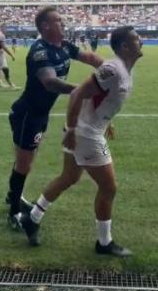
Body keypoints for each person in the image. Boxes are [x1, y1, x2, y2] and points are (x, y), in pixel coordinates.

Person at [19, 26, 143, 255]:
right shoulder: (112, 69)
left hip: (87, 129)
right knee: (109, 187)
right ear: (125, 47)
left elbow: (99, 98)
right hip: (85, 134)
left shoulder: (125, 69)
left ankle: (32, 218)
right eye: (136, 39)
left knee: (68, 177)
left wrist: (107, 121)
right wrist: (72, 130)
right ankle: (104, 243)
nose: (141, 41)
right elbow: (77, 94)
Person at [6, 7, 103, 229]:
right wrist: (83, 89)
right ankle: (14, 214)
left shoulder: (63, 46)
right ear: (45, 27)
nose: (64, 23)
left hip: (40, 114)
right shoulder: (40, 51)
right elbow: (50, 82)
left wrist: (109, 68)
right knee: (24, 163)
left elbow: (88, 56)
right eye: (58, 20)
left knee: (26, 161)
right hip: (28, 115)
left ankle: (14, 195)